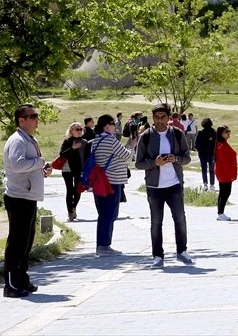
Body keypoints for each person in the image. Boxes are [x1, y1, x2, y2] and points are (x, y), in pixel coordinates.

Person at [135, 103, 194, 268]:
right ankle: (158, 256)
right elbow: (138, 164)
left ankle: (182, 251)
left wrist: (176, 159)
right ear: (153, 118)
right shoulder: (145, 137)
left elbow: (187, 158)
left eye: (163, 117)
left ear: (169, 118)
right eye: (157, 117)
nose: (160, 121)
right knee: (156, 222)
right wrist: (155, 162)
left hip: (174, 184)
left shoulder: (177, 134)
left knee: (180, 219)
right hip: (154, 187)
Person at [2, 103, 51, 297]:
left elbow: (28, 166)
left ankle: (22, 279)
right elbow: (17, 164)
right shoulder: (17, 141)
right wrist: (38, 163)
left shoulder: (28, 139)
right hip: (18, 198)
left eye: (36, 115)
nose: (36, 119)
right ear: (21, 120)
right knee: (16, 243)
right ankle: (11, 285)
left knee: (26, 242)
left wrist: (42, 170)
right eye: (32, 116)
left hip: (28, 197)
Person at [89, 113, 133, 256]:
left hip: (99, 182)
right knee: (110, 214)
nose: (115, 126)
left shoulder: (96, 140)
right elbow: (127, 155)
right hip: (112, 182)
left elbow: (117, 154)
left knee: (103, 214)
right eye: (113, 124)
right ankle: (104, 246)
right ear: (107, 125)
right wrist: (132, 145)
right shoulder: (110, 140)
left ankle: (101, 244)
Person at [58, 121, 89, 221]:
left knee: (78, 189)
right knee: (69, 190)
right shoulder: (67, 141)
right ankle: (70, 212)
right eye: (77, 129)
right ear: (71, 131)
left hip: (79, 169)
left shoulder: (84, 142)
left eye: (81, 129)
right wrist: (72, 148)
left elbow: (87, 157)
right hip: (67, 169)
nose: (79, 131)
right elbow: (62, 154)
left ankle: (73, 207)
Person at [215, 125, 238, 221]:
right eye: (226, 132)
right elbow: (225, 161)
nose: (228, 133)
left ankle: (220, 212)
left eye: (229, 131)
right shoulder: (221, 146)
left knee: (223, 192)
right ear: (221, 134)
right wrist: (231, 174)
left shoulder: (222, 143)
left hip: (224, 172)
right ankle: (220, 213)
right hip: (225, 172)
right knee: (225, 193)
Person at [195, 117, 217, 190]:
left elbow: (197, 144)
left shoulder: (200, 133)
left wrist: (199, 151)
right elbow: (216, 144)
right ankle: (212, 184)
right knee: (212, 170)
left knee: (204, 169)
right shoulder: (214, 132)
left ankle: (205, 184)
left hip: (203, 154)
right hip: (211, 154)